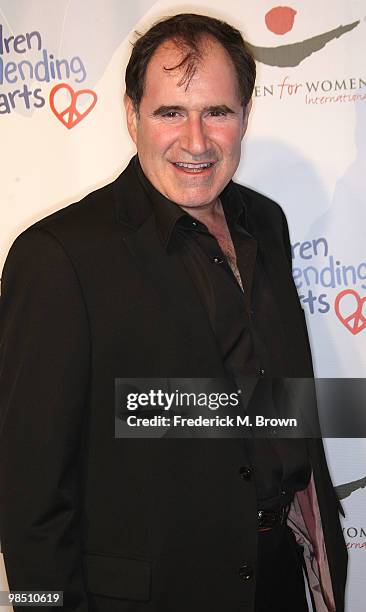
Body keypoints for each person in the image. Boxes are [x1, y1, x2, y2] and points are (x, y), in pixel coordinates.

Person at [0, 13, 347, 612]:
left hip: (280, 578)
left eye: (217, 111)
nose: (196, 141)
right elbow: (27, 495)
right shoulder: (57, 257)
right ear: (132, 115)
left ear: (245, 116)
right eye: (170, 113)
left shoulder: (267, 222)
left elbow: (268, 397)